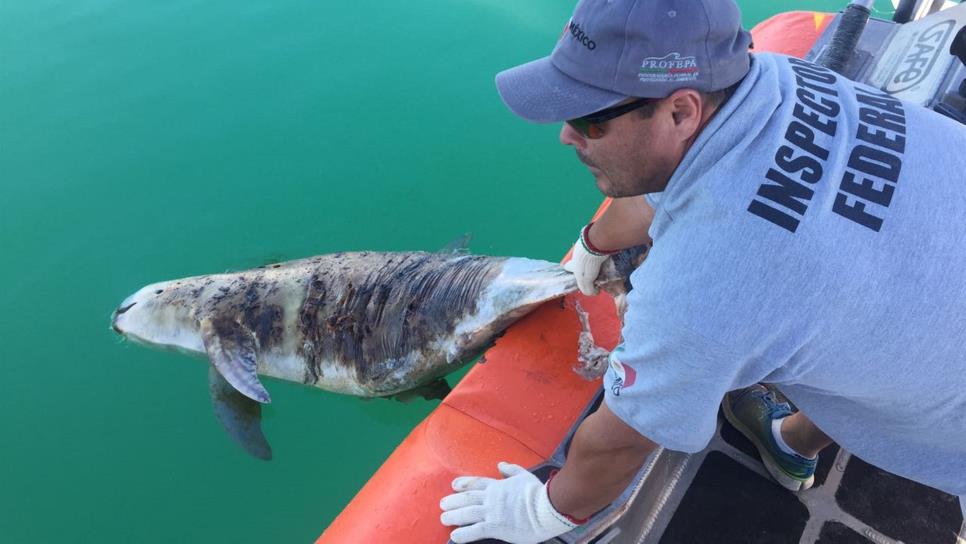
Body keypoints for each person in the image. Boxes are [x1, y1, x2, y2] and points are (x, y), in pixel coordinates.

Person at [438, 0, 966, 542]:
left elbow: (625, 438)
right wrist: (593, 244)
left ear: (682, 113)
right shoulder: (781, 80)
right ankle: (792, 443)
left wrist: (540, 511)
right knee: (850, 330)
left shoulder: (704, 286)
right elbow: (672, 186)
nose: (566, 137)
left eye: (588, 120)